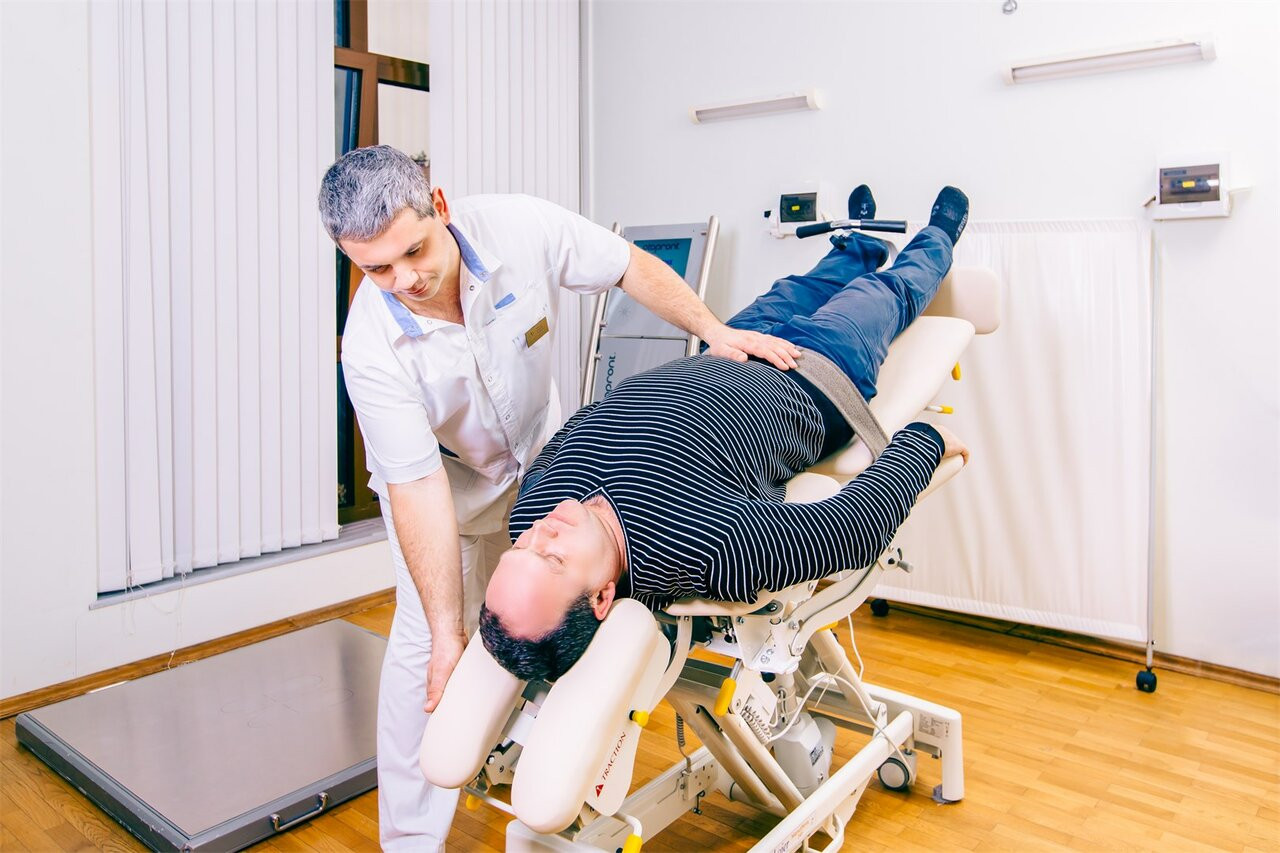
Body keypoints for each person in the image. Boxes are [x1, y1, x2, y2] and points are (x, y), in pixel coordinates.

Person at [318, 145, 801, 850]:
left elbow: (628, 264)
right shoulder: (371, 345)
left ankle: (551, 763)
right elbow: (417, 487)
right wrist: (448, 632)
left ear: (439, 207)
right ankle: (412, 841)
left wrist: (712, 330)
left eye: (414, 251)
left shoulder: (516, 227)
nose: (405, 280)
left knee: (557, 615)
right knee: (428, 647)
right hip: (446, 501)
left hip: (546, 474)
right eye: (376, 269)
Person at [479, 185, 971, 683]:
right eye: (553, 558)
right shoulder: (712, 551)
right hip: (814, 375)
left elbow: (574, 431)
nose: (540, 533)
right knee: (883, 293)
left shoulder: (532, 513)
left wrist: (719, 342)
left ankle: (860, 242)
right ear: (603, 596)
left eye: (519, 549)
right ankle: (940, 236)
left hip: (730, 346)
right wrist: (922, 443)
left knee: (807, 283)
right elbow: (851, 533)